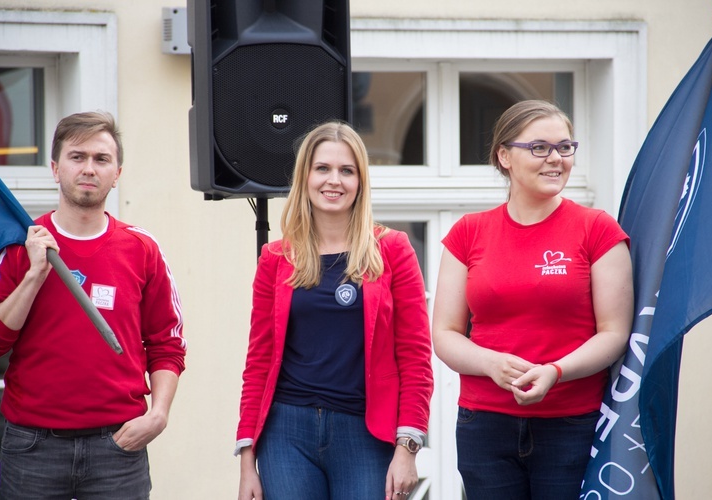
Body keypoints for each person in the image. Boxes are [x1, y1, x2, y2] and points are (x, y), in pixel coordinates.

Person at [432, 100, 633, 499]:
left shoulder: (598, 230)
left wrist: (554, 372)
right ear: (504, 156)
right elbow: (445, 333)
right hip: (483, 423)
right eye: (539, 147)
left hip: (572, 423)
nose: (555, 158)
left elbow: (614, 334)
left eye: (565, 147)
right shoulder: (468, 233)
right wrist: (491, 363)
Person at [0, 111, 186, 499]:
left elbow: (167, 344)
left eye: (101, 159)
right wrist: (33, 276)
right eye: (77, 157)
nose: (89, 168)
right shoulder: (18, 249)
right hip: (33, 448)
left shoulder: (143, 249)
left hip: (118, 449)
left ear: (117, 173)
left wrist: (158, 415)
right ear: (56, 169)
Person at [236, 121, 434, 500]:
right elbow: (259, 361)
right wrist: (247, 460)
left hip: (365, 432)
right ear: (305, 177)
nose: (334, 181)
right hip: (286, 433)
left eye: (347, 171)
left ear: (360, 181)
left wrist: (407, 448)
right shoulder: (276, 258)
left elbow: (415, 359)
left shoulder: (392, 250)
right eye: (323, 169)